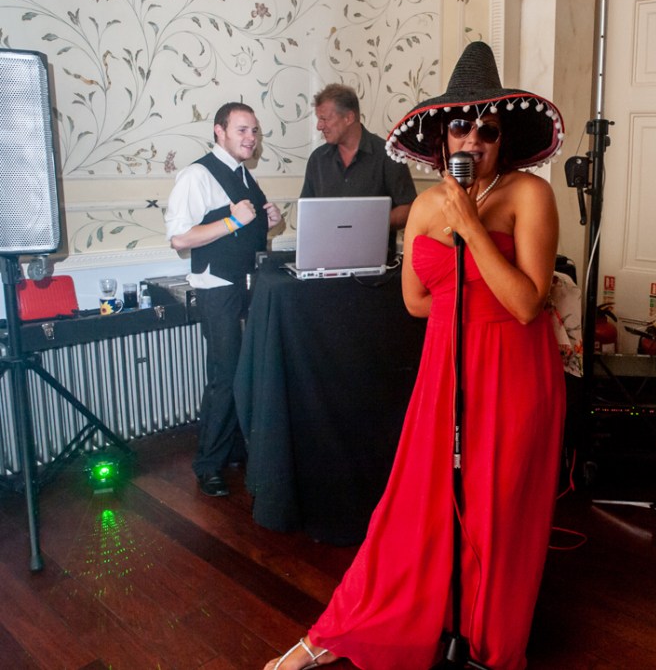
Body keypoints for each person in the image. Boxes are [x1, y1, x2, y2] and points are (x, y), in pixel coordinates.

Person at [264, 41, 567, 670]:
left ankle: (483, 641)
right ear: (441, 135)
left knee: (494, 514)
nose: (473, 140)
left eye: (488, 129)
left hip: (513, 370)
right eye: (461, 126)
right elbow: (416, 302)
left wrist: (473, 228)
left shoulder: (529, 197)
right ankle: (360, 625)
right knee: (417, 501)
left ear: (502, 139)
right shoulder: (425, 207)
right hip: (446, 368)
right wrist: (465, 306)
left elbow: (528, 304)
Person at [164, 102, 282, 498]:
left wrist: (270, 219)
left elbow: (249, 228)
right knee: (224, 376)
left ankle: (233, 450)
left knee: (243, 372)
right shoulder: (196, 175)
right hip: (216, 288)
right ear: (220, 131)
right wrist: (233, 221)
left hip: (246, 285)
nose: (251, 138)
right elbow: (180, 239)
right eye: (242, 130)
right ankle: (208, 464)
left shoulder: (244, 176)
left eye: (254, 131)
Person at [301, 83, 418, 252]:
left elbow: (409, 209)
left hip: (377, 266)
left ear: (349, 118)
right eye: (319, 119)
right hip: (326, 259)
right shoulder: (317, 160)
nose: (319, 126)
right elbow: (307, 212)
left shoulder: (389, 155)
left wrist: (368, 224)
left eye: (324, 119)